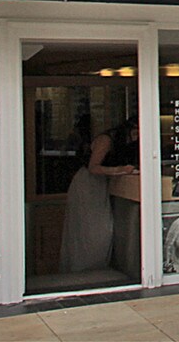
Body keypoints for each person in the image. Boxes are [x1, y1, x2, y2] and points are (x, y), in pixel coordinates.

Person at [58, 118, 138, 275]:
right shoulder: (106, 140)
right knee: (91, 228)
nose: (137, 137)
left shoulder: (123, 144)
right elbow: (93, 167)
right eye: (135, 133)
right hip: (89, 184)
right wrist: (119, 170)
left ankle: (96, 266)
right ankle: (82, 268)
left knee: (102, 227)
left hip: (102, 185)